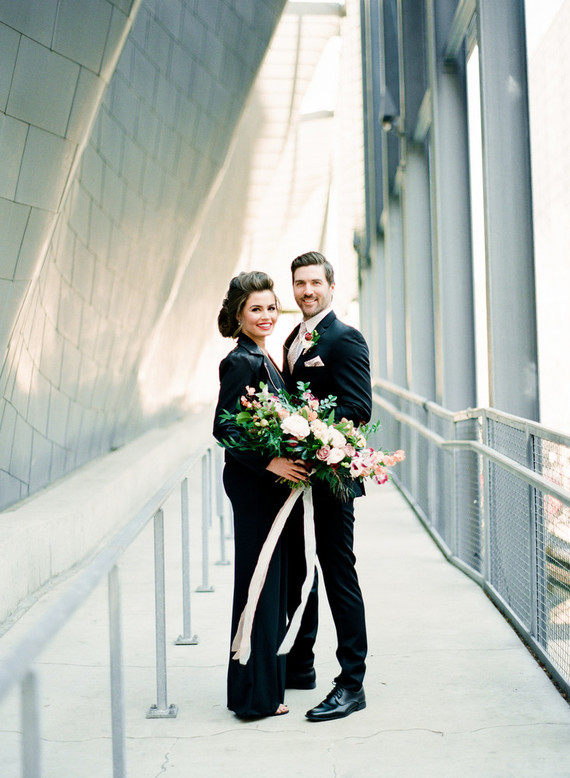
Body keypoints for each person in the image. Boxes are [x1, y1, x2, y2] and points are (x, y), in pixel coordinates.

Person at [283, 250, 372, 722]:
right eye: (299, 284)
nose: (307, 291)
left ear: (331, 287)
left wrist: (305, 432)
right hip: (299, 482)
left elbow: (358, 410)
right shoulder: (293, 340)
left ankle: (352, 683)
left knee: (338, 573)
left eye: (315, 282)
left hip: (333, 478)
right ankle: (301, 664)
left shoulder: (345, 338)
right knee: (301, 569)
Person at [213, 271, 308, 718]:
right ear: (239, 315)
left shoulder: (265, 358)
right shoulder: (241, 362)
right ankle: (254, 698)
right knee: (259, 586)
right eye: (256, 309)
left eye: (272, 307)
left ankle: (262, 689)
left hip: (271, 489)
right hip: (255, 488)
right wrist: (272, 463)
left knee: (272, 587)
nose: (267, 315)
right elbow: (225, 426)